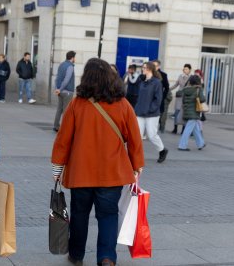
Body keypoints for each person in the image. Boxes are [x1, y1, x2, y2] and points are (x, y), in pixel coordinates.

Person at [51, 58, 144, 266]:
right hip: (113, 174)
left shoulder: (77, 103)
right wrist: (137, 165)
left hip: (81, 173)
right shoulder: (123, 104)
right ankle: (107, 257)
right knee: (108, 216)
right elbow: (135, 138)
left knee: (79, 215)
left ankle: (76, 255)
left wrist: (57, 167)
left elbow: (63, 139)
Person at [135, 61, 168, 163]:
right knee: (137, 136)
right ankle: (136, 157)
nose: (142, 69)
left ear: (149, 69)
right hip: (140, 112)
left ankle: (162, 150)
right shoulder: (142, 81)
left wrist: (150, 109)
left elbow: (158, 99)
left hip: (151, 114)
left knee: (152, 135)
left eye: (144, 68)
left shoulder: (157, 82)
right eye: (142, 67)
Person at [178, 75, 206, 151]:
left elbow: (183, 101)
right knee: (188, 130)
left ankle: (201, 144)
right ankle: (182, 145)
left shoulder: (185, 89)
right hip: (194, 112)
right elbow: (203, 99)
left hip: (187, 111)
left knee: (196, 128)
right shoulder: (198, 89)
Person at [53, 51, 76, 132]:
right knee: (66, 111)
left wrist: (57, 88)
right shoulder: (70, 66)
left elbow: (57, 78)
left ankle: (56, 126)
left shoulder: (61, 65)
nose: (75, 59)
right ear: (72, 58)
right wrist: (60, 89)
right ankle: (64, 129)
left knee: (59, 109)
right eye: (74, 57)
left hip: (60, 91)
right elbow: (67, 79)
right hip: (67, 92)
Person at [170, 64, 192, 134]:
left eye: (186, 69)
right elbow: (176, 84)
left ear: (189, 70)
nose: (185, 70)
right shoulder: (180, 76)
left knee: (184, 114)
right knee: (176, 113)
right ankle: (175, 128)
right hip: (179, 97)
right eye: (184, 69)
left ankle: (183, 129)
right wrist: (169, 89)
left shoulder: (191, 78)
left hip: (186, 97)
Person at [152, 60, 170, 133]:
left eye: (155, 66)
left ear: (159, 66)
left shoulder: (163, 75)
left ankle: (159, 127)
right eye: (153, 65)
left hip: (159, 97)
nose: (154, 67)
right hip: (150, 97)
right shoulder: (150, 73)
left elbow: (167, 87)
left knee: (159, 113)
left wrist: (163, 96)